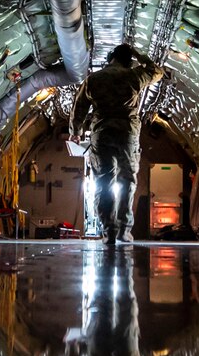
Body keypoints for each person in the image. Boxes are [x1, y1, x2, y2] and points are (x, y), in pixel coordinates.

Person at [68, 44, 164, 245]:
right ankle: (123, 230)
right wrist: (139, 55)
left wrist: (75, 132)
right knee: (127, 180)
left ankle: (108, 231)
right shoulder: (134, 76)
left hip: (102, 133)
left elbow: (79, 106)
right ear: (129, 60)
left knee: (103, 181)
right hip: (127, 133)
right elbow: (157, 72)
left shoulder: (94, 79)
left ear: (111, 57)